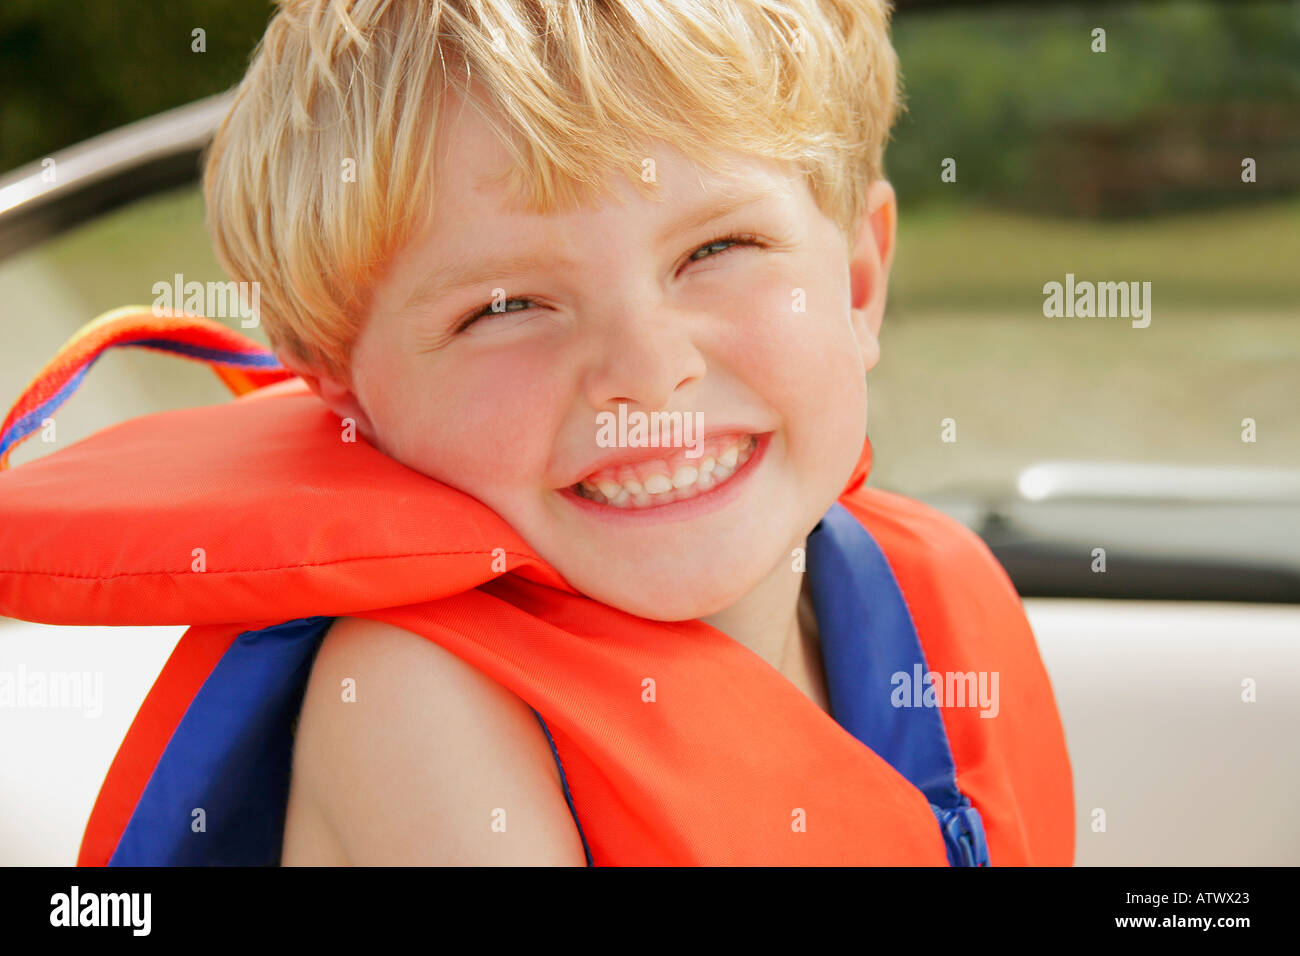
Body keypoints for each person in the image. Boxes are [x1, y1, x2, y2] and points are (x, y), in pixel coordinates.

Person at [0, 0, 1074, 865]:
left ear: (854, 281)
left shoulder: (934, 597)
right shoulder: (417, 706)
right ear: (347, 394)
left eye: (717, 248)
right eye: (505, 308)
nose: (647, 368)